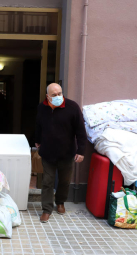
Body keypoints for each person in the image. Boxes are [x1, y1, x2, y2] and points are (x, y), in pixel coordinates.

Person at [35, 83, 87, 223]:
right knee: (47, 181)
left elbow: (81, 131)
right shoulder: (42, 107)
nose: (58, 97)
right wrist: (37, 140)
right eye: (54, 95)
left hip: (67, 152)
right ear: (47, 96)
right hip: (47, 152)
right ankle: (46, 209)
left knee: (64, 181)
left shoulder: (72, 107)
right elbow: (39, 125)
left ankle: (60, 202)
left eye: (59, 93)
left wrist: (81, 151)